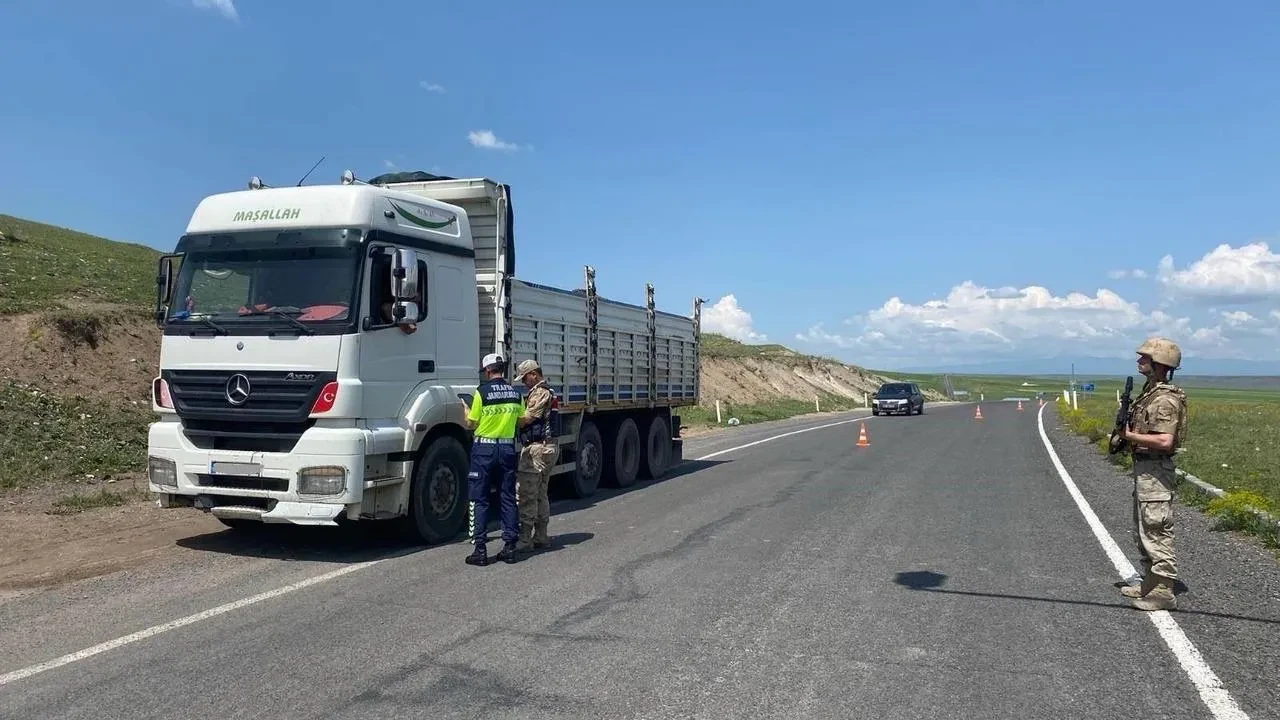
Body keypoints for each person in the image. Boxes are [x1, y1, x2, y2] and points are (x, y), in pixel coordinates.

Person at [1114, 337, 1188, 611]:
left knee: (1156, 530)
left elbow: (1165, 441)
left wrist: (1129, 435)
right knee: (1143, 530)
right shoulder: (1150, 393)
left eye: (1145, 358)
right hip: (1146, 469)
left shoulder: (1165, 400)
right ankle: (1149, 583)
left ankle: (1163, 592)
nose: (1139, 361)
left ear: (1159, 363)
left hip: (1156, 471)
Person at [462, 353, 524, 565]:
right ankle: (510, 548)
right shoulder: (515, 393)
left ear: (488, 371)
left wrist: (466, 411)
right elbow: (522, 420)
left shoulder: (481, 393)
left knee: (479, 498)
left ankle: (480, 550)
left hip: (484, 450)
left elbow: (471, 423)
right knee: (508, 497)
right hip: (507, 448)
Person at [514, 359, 560, 551]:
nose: (524, 382)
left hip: (537, 448)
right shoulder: (546, 391)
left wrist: (508, 414)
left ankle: (525, 540)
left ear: (534, 374)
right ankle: (541, 536)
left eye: (525, 378)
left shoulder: (540, 392)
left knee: (527, 494)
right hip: (546, 447)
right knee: (541, 493)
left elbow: (526, 419)